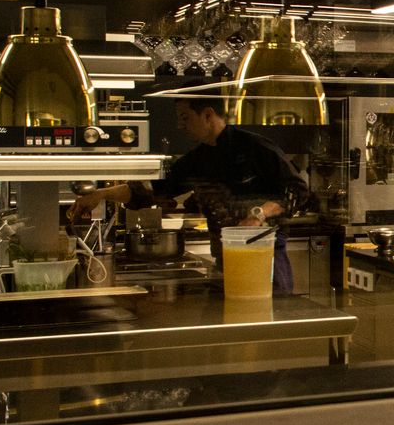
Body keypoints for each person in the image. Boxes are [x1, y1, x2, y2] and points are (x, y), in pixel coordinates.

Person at [68, 96, 307, 292]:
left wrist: (259, 214)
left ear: (208, 115)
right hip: (225, 261)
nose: (180, 126)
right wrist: (100, 194)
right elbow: (148, 191)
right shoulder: (197, 160)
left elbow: (298, 191)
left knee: (267, 324)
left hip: (265, 258)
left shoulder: (256, 148)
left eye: (185, 118)